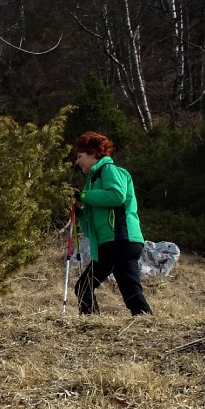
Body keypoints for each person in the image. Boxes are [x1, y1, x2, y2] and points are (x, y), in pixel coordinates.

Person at [72, 132, 152, 316]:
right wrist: (78, 211)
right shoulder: (94, 180)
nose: (77, 162)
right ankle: (145, 322)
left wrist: (83, 196)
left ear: (93, 153)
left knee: (85, 286)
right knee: (129, 289)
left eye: (80, 156)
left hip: (119, 239)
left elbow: (116, 196)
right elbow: (94, 217)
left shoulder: (109, 170)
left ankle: (91, 324)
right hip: (116, 241)